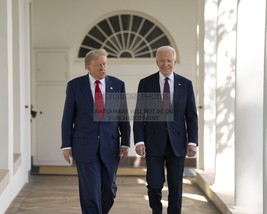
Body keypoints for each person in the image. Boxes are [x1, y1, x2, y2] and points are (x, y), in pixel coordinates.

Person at [61, 49, 130, 214]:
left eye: (105, 64)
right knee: (90, 192)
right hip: (84, 146)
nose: (103, 68)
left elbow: (123, 116)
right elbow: (67, 118)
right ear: (87, 67)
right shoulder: (75, 86)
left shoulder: (117, 85)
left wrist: (126, 142)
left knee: (109, 189)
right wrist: (66, 145)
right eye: (99, 65)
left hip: (110, 145)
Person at [133, 46, 198, 214]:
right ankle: (156, 210)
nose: (165, 64)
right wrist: (139, 141)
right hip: (153, 143)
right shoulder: (146, 83)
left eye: (169, 61)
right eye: (162, 61)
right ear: (157, 62)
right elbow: (140, 115)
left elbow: (191, 116)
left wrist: (192, 142)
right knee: (154, 184)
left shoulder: (186, 84)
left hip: (178, 144)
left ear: (174, 62)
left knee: (176, 187)